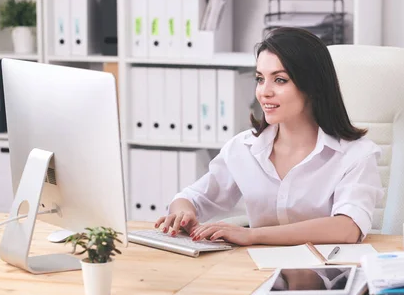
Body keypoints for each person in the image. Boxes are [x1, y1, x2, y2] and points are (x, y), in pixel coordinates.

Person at [155, 27, 384, 246]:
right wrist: (182, 214)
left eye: (280, 80)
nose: (264, 91)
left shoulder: (356, 155)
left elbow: (347, 228)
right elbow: (191, 198)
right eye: (260, 78)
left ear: (313, 87)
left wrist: (253, 235)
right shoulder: (242, 149)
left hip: (327, 275)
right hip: (254, 273)